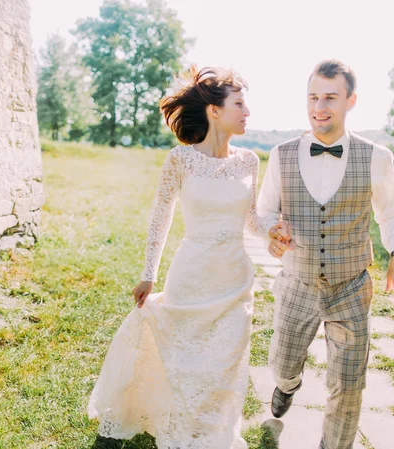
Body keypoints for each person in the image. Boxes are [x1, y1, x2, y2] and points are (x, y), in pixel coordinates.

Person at [87, 66, 288, 449]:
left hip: (234, 277)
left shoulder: (249, 162)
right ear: (215, 110)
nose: (247, 112)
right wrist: (149, 275)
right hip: (191, 274)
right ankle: (179, 426)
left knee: (225, 361)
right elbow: (160, 219)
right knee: (184, 361)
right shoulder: (180, 161)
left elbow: (249, 219)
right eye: (239, 104)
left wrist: (271, 229)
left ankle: (215, 432)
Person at [259, 59, 394, 449]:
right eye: (313, 97)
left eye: (330, 97)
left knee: (348, 385)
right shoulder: (282, 154)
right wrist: (271, 232)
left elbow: (392, 212)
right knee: (281, 363)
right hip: (297, 282)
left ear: (351, 101)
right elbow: (264, 211)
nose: (319, 107)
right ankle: (288, 384)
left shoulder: (377, 157)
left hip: (350, 287)